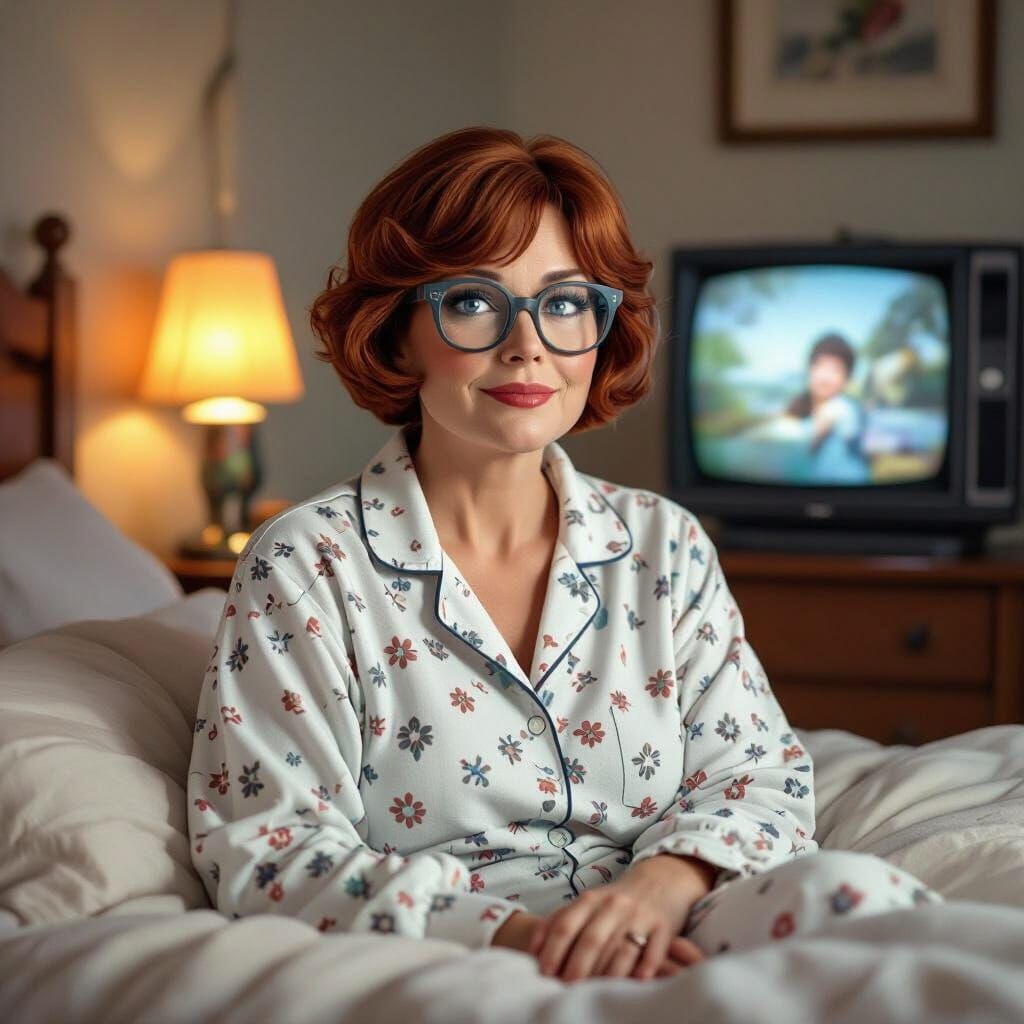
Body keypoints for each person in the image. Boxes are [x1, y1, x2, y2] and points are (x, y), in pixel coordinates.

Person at [186, 126, 941, 985]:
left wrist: (659, 890)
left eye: (566, 301)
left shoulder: (664, 544)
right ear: (395, 332)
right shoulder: (306, 565)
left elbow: (758, 776)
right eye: (473, 301)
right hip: (456, 959)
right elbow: (273, 850)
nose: (528, 344)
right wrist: (525, 940)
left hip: (680, 921)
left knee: (858, 900)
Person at [783, 333, 872, 484]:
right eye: (820, 365)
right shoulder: (798, 410)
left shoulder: (843, 408)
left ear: (847, 379)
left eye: (836, 370)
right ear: (809, 369)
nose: (825, 377)